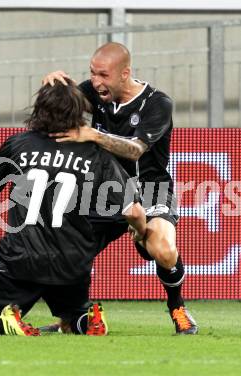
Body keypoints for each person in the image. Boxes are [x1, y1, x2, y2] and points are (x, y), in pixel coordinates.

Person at [0, 79, 146, 337]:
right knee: (70, 318)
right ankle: (86, 322)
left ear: (39, 109)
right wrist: (140, 232)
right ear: (79, 112)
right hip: (72, 262)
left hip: (21, 259)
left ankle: (3, 326)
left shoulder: (17, 145)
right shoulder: (96, 154)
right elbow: (133, 212)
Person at [42, 42, 198, 335]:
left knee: (163, 249)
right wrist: (55, 85)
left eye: (103, 75)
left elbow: (136, 150)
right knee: (66, 247)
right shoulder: (94, 92)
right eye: (92, 73)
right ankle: (70, 317)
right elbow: (62, 105)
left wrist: (93, 134)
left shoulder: (157, 103)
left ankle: (177, 307)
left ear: (125, 73)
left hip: (151, 188)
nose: (96, 81)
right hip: (106, 189)